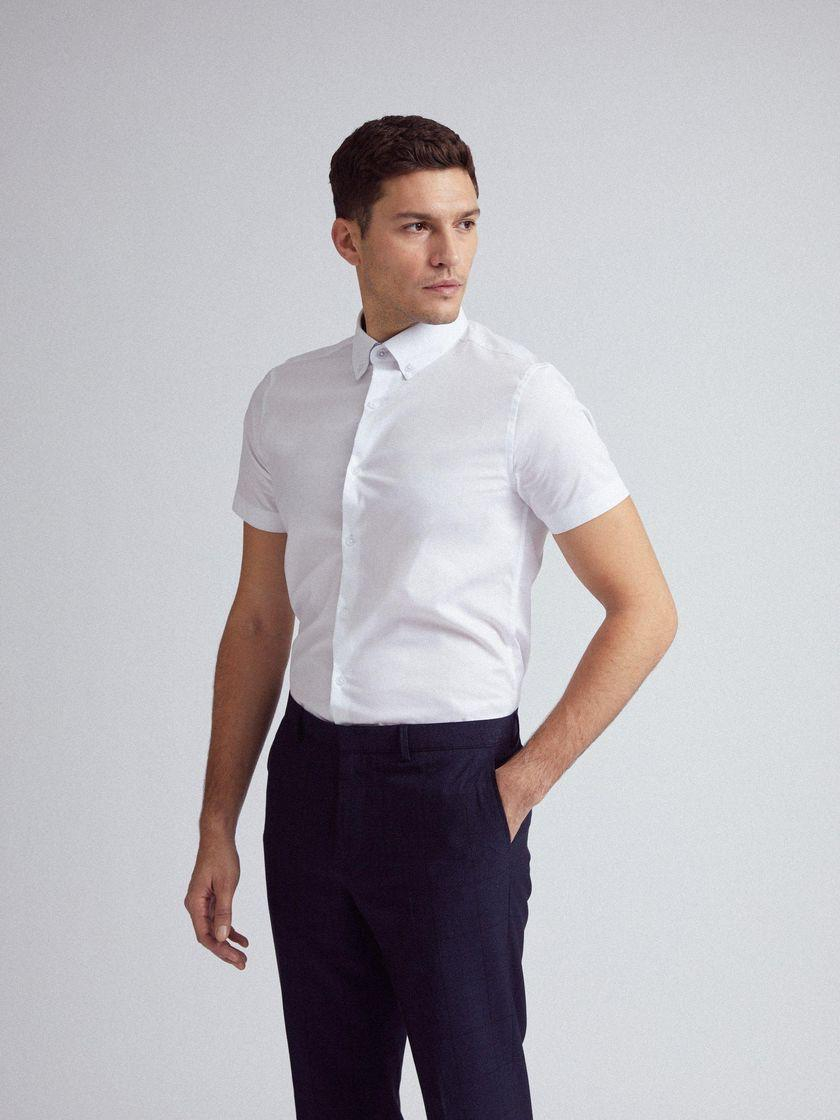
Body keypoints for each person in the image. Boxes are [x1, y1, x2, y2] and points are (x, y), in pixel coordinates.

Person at [184, 114, 677, 1119]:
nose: (450, 252)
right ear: (349, 238)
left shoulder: (521, 396)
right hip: (309, 784)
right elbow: (259, 620)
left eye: (466, 222)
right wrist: (217, 821)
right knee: (335, 1100)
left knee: (477, 1098)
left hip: (454, 785)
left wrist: (518, 785)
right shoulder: (286, 398)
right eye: (416, 226)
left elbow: (646, 608)